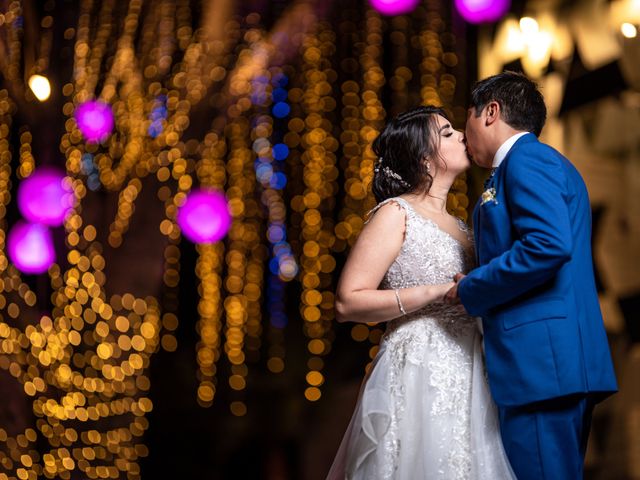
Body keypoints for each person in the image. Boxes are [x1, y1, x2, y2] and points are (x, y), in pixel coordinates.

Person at [445, 71, 618, 479]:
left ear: (490, 112)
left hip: (541, 365)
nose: (464, 132)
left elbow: (548, 245)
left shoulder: (526, 160)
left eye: (466, 117)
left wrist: (473, 287)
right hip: (550, 364)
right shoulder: (531, 163)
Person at [327, 106, 515, 479]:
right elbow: (347, 301)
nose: (462, 134)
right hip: (420, 364)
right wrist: (436, 291)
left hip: (473, 367)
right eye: (447, 133)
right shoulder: (396, 213)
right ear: (424, 159)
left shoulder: (465, 225)